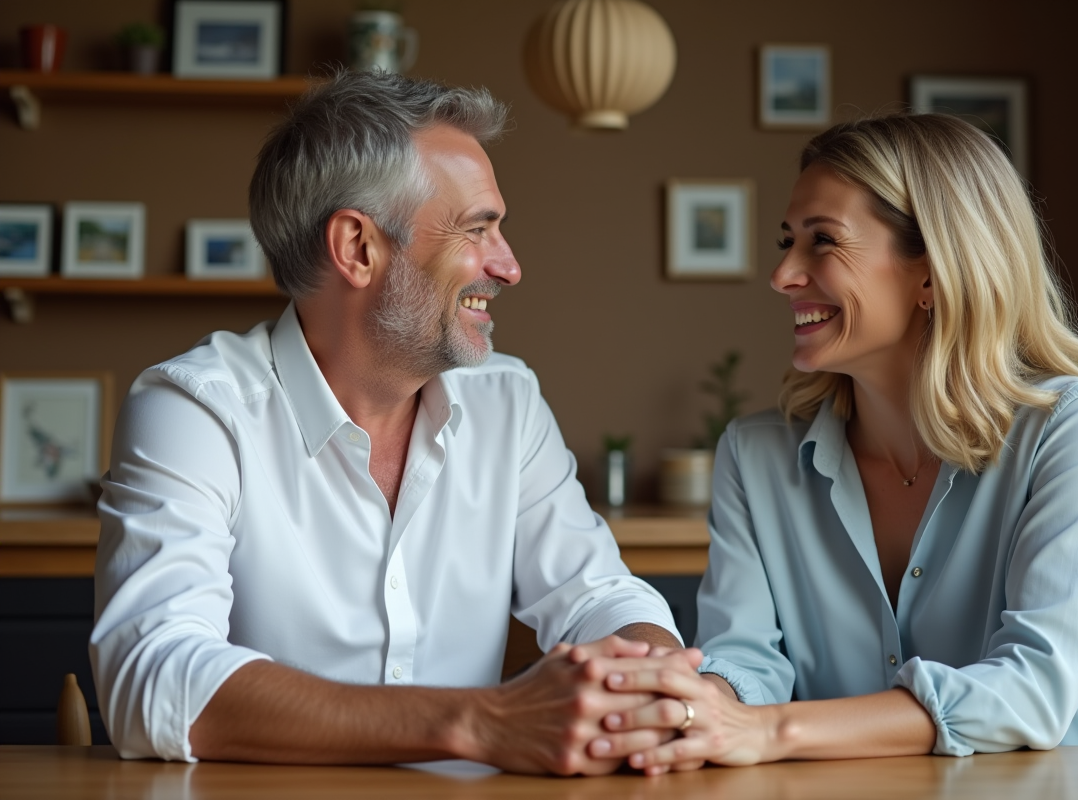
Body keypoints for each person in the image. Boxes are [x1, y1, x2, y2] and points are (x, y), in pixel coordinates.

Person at [89, 70, 697, 775]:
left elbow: (599, 595)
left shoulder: (507, 403)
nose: (509, 266)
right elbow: (155, 678)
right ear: (357, 248)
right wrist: (482, 721)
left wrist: (652, 683)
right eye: (478, 229)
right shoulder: (194, 409)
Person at [588, 113, 1078, 773]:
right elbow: (745, 658)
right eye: (787, 240)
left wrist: (770, 731)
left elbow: (1034, 690)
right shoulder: (754, 456)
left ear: (932, 272)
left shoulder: (1066, 425)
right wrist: (698, 707)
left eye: (822, 241)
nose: (781, 274)